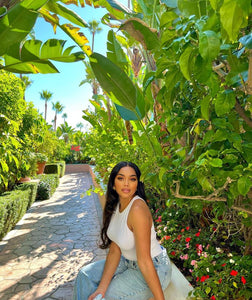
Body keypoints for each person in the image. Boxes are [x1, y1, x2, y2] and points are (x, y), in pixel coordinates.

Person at [73, 161, 172, 300]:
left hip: (154, 267)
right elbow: (115, 249)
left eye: (132, 179)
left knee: (106, 297)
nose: (126, 183)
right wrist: (102, 287)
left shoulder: (137, 209)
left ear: (137, 184)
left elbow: (144, 261)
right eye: (121, 178)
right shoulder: (117, 204)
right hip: (127, 262)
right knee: (85, 275)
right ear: (113, 184)